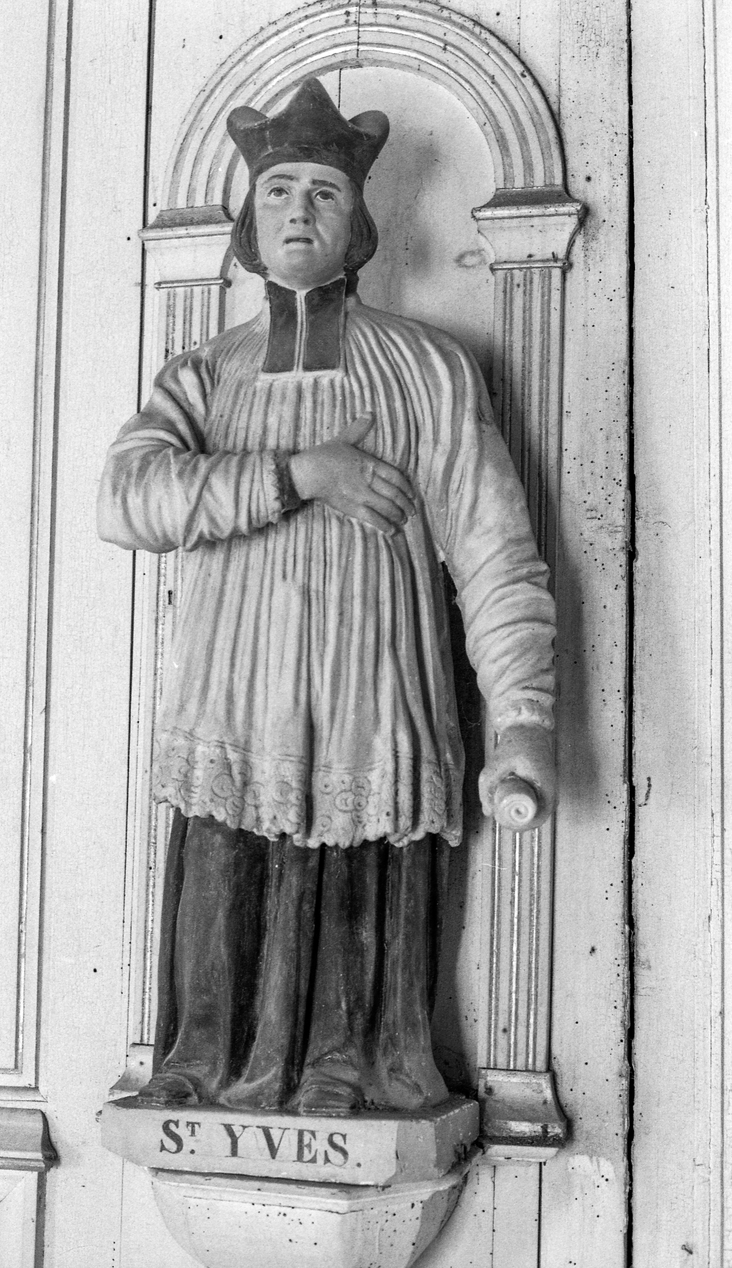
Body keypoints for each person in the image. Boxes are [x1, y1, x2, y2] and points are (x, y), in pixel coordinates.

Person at [97, 78, 556, 1116]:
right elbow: (124, 499)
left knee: (360, 897)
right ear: (249, 224)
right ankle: (209, 1060)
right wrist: (295, 474)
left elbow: (492, 548)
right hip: (234, 700)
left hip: (370, 701)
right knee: (222, 886)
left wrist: (523, 717)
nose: (298, 211)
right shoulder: (204, 376)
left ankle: (350, 1066)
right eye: (277, 192)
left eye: (322, 193)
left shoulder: (425, 368)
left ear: (357, 223)